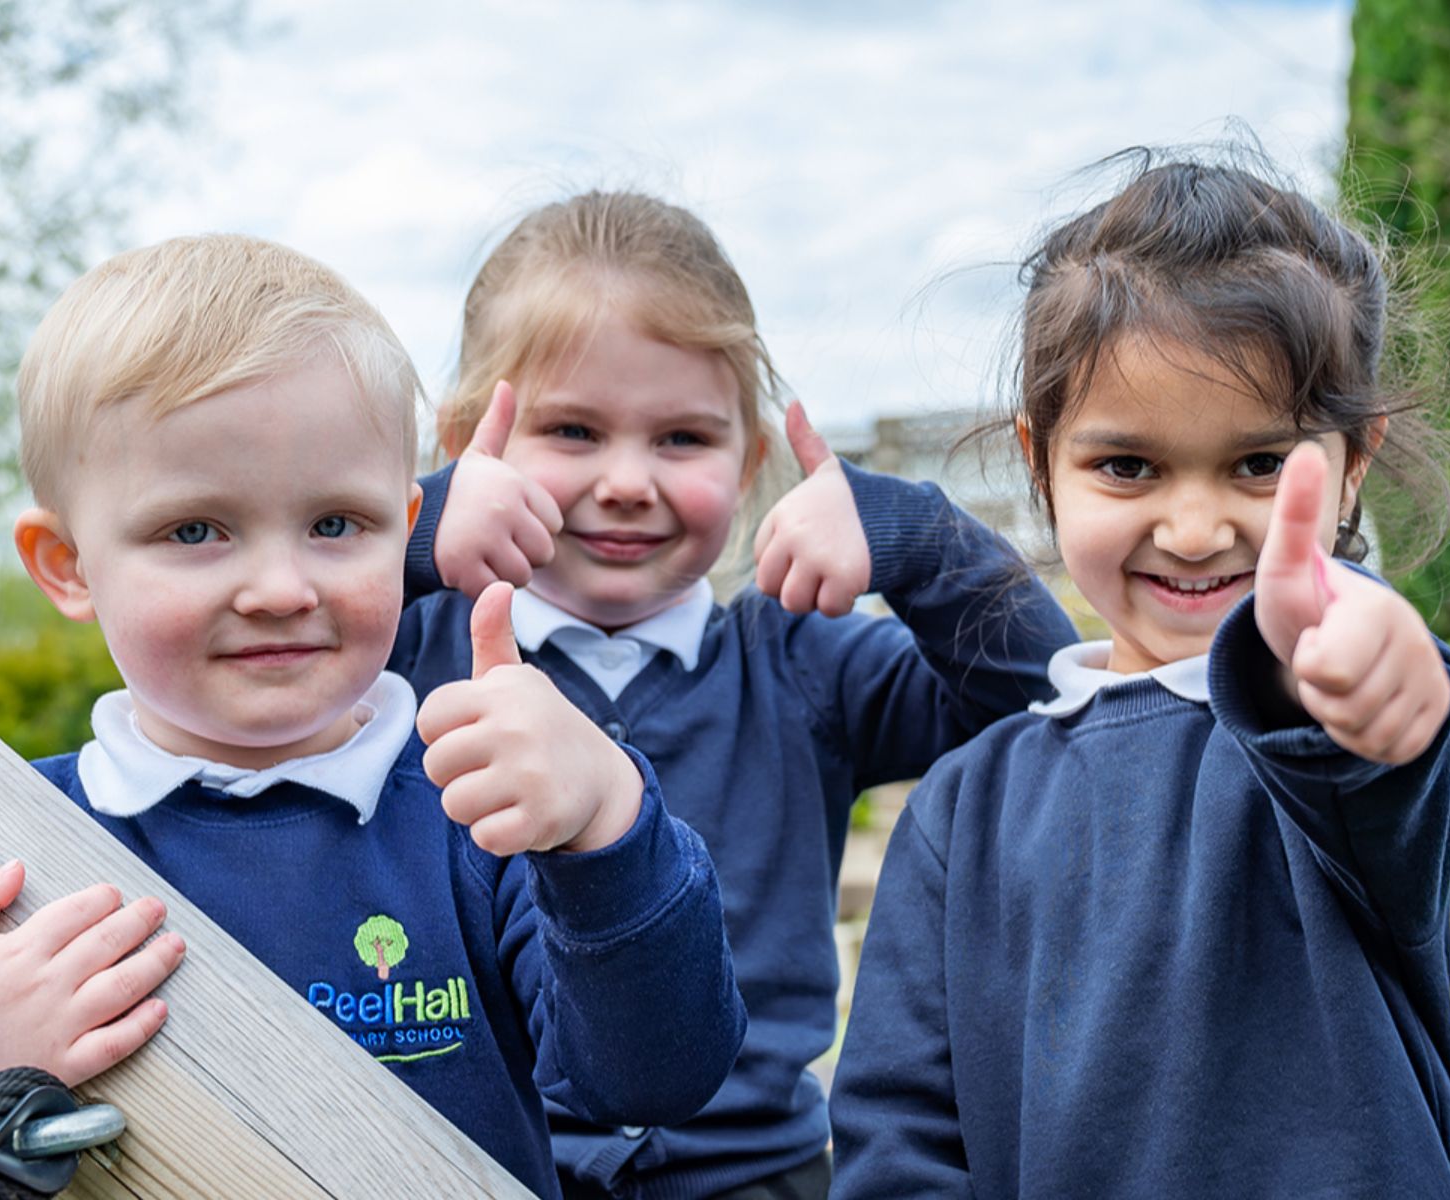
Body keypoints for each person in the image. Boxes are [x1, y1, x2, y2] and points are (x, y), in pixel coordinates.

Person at [0, 234, 746, 1198]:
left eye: (334, 526)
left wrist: (610, 821)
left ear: (404, 528)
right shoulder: (0, 848)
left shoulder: (476, 817)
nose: (280, 588)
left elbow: (652, 1081)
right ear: (67, 565)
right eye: (195, 530)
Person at [830, 150, 1450, 1197]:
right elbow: (899, 1130)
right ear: (1039, 461)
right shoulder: (965, 808)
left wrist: (1377, 680)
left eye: (1261, 464)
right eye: (1127, 467)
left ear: (1354, 462)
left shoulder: (1338, 727)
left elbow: (1384, 764)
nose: (1193, 528)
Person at [403, 190, 1077, 1198]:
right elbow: (272, 621)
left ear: (753, 459)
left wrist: (914, 535)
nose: (629, 480)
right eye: (574, 431)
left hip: (759, 1177)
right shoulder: (404, 648)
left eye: (683, 439)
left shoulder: (804, 660)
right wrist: (410, 530)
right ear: (474, 443)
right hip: (469, 1170)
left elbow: (1041, 708)